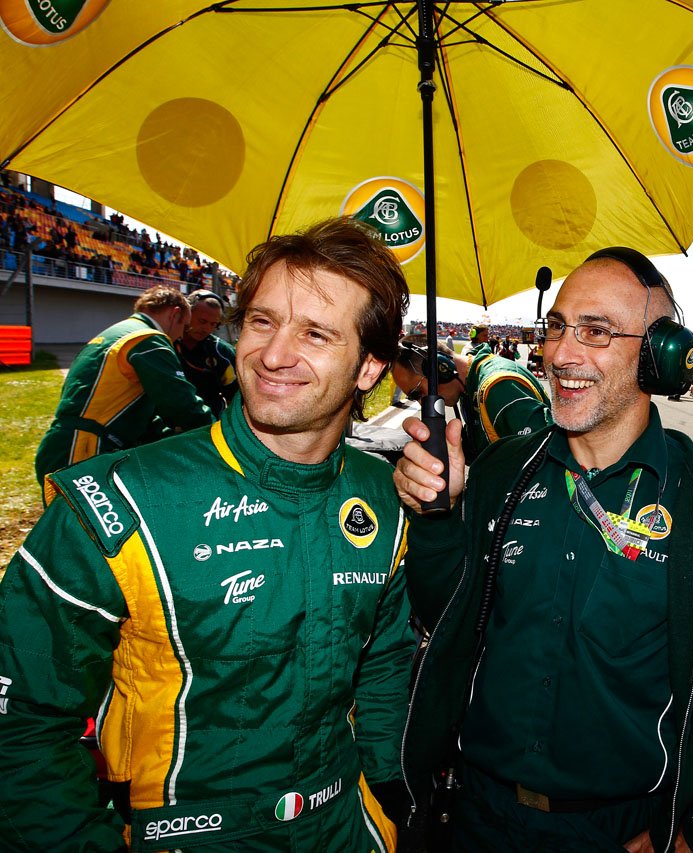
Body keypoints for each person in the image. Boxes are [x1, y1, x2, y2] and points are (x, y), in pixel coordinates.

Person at [0, 218, 416, 851]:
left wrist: (390, 790)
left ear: (369, 369)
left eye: (316, 333)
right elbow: (20, 724)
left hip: (344, 827)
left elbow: (384, 661)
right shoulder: (116, 501)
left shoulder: (383, 494)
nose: (274, 354)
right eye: (261, 321)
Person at [393, 247, 693, 853]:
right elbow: (442, 612)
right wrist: (435, 514)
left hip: (619, 832)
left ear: (658, 357)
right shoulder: (500, 471)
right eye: (556, 328)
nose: (562, 355)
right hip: (476, 816)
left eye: (595, 332)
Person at [34, 284, 215, 488]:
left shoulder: (114, 334)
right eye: (184, 326)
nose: (181, 336)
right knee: (86, 520)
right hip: (86, 450)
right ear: (174, 314)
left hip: (65, 445)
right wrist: (215, 435)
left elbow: (130, 411)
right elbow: (180, 402)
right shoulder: (149, 339)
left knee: (65, 520)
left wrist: (170, 438)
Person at [391, 334, 551, 464]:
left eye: (417, 392)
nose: (421, 402)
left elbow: (544, 460)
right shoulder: (469, 385)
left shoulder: (498, 386)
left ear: (441, 367)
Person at [177, 289, 238, 416]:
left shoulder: (222, 352)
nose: (207, 329)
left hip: (208, 423)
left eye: (213, 324)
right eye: (202, 321)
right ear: (187, 314)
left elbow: (235, 397)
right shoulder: (167, 343)